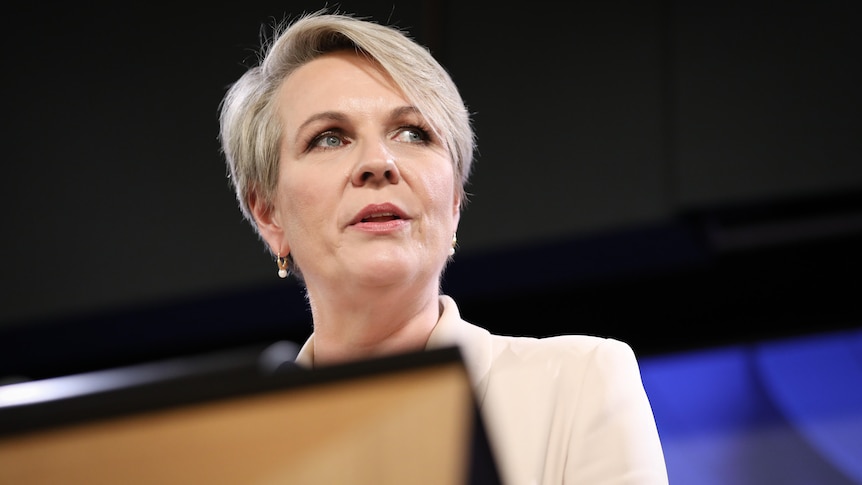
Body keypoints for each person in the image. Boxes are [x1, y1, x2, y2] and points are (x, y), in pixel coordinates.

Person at [218, 9, 668, 485]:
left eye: (412, 133)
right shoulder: (224, 455)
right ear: (268, 213)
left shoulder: (579, 382)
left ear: (454, 200)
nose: (378, 162)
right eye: (329, 138)